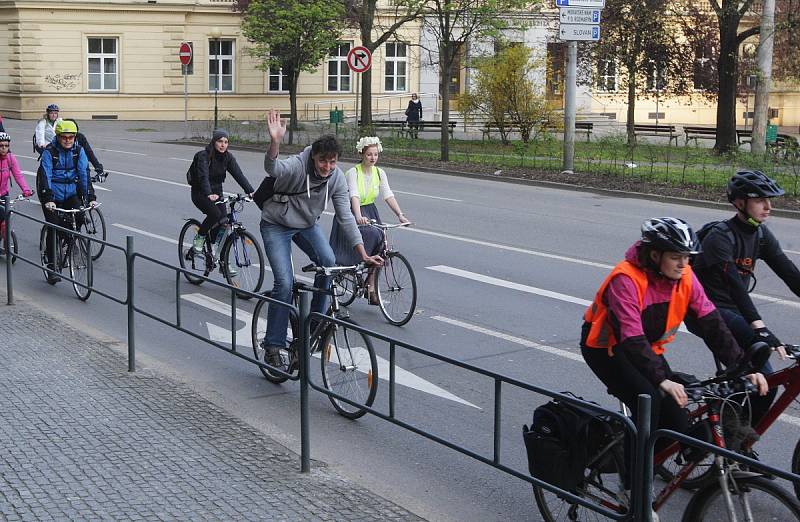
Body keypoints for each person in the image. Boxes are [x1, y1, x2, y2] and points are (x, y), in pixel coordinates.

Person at [581, 217, 767, 452]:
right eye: (675, 257)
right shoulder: (626, 278)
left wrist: (744, 367)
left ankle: (650, 461)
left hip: (645, 349)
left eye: (687, 257)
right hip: (607, 349)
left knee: (677, 423)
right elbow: (631, 336)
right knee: (649, 403)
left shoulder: (685, 276)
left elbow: (712, 323)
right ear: (655, 255)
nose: (684, 264)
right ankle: (632, 481)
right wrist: (661, 380)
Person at [260, 109, 382, 367]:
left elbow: (346, 216)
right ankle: (273, 345)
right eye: (323, 161)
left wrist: (361, 252)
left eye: (333, 162)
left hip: (305, 224)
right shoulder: (297, 165)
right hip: (276, 224)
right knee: (284, 282)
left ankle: (312, 326)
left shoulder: (336, 178)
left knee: (329, 261)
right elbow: (272, 168)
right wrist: (275, 142)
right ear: (314, 156)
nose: (327, 167)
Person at [691, 170, 800, 422]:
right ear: (740, 202)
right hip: (708, 311)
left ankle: (736, 441)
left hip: (734, 311)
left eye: (769, 200)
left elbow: (789, 273)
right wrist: (760, 328)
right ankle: (731, 436)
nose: (768, 206)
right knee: (764, 380)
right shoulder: (721, 237)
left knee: (759, 383)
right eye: (761, 200)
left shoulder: (760, 234)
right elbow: (734, 288)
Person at [329, 136, 409, 304]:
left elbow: (388, 195)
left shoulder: (379, 173)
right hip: (352, 211)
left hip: (370, 211)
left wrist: (400, 215)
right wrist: (358, 217)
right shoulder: (353, 173)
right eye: (369, 154)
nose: (373, 158)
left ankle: (370, 286)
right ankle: (358, 271)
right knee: (372, 235)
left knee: (382, 241)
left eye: (375, 154)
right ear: (361, 154)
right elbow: (354, 196)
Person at [37, 119, 95, 284]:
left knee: (80, 217)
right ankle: (52, 265)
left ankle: (69, 239)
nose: (68, 140)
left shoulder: (79, 151)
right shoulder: (50, 152)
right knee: (54, 226)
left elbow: (84, 173)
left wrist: (89, 196)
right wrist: (47, 198)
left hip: (70, 193)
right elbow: (45, 175)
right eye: (64, 137)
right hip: (52, 195)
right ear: (58, 136)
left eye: (71, 137)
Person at [186, 129, 254, 255]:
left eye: (226, 142)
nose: (223, 145)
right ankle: (200, 237)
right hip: (200, 192)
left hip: (217, 192)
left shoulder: (228, 157)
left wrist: (250, 191)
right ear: (214, 142)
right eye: (220, 141)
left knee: (224, 221)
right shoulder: (203, 156)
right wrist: (208, 193)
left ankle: (221, 260)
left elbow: (238, 174)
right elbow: (203, 177)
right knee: (215, 214)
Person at [0, 132, 34, 251]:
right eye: (1, 146)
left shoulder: (10, 158)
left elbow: (18, 175)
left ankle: (5, 241)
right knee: (3, 217)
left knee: (5, 219)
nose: (4, 148)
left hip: (4, 195)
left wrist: (26, 190)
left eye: (6, 146)